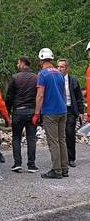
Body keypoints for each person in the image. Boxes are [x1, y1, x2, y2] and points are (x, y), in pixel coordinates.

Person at [32, 48, 69, 179]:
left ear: (41, 60)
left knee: (53, 142)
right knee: (62, 140)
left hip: (50, 112)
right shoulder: (59, 73)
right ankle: (65, 168)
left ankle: (56, 170)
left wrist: (36, 113)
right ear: (51, 59)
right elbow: (64, 93)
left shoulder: (42, 74)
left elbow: (40, 95)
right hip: (62, 110)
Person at [5, 56, 38, 173]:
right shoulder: (36, 77)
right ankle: (31, 165)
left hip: (18, 111)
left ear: (23, 63)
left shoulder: (15, 77)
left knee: (16, 138)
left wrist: (7, 113)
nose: (17, 65)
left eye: (18, 63)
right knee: (31, 138)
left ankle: (17, 163)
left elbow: (9, 96)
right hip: (31, 111)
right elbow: (39, 95)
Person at [57, 58, 84, 167]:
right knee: (59, 135)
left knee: (69, 133)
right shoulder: (55, 79)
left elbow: (79, 97)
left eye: (62, 67)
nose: (59, 69)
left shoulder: (73, 80)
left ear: (67, 68)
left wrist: (81, 111)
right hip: (58, 109)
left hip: (70, 109)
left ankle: (71, 158)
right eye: (58, 66)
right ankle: (61, 158)